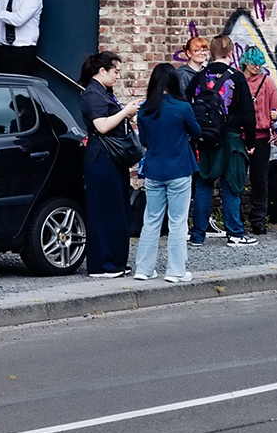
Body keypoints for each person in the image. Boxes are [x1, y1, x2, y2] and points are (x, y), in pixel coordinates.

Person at [133, 63, 202, 283]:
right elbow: (197, 132)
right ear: (173, 82)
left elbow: (144, 141)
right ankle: (175, 271)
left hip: (153, 170)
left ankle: (143, 269)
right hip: (179, 170)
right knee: (177, 222)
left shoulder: (144, 110)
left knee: (151, 220)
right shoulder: (183, 108)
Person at [189, 35, 257, 247]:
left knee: (203, 185)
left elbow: (187, 104)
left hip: (205, 138)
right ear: (230, 53)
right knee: (232, 185)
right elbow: (247, 113)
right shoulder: (236, 78)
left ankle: (198, 235)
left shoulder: (198, 77)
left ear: (211, 52)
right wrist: (251, 141)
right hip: (231, 138)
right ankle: (235, 232)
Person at [79, 51, 140, 278]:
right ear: (102, 71)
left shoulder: (104, 93)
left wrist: (126, 114)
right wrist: (125, 112)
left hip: (111, 158)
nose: (117, 76)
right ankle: (102, 264)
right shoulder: (92, 95)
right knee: (104, 210)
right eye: (115, 71)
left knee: (116, 209)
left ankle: (114, 261)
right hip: (101, 158)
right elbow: (101, 126)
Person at [239, 47, 277, 235]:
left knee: (260, 179)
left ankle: (258, 218)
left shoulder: (268, 81)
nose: (257, 67)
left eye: (259, 63)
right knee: (237, 178)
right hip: (240, 136)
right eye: (253, 62)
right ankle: (236, 217)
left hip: (261, 136)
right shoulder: (237, 80)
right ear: (245, 61)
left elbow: (275, 109)